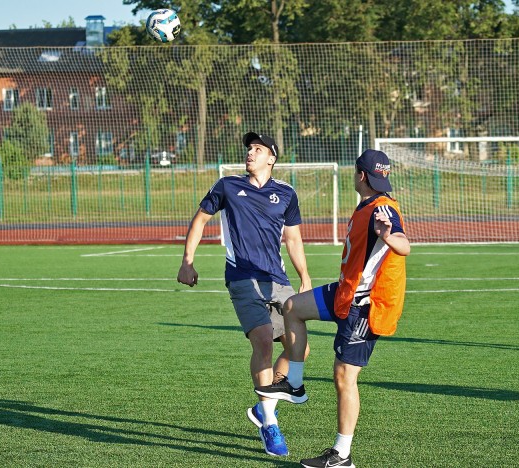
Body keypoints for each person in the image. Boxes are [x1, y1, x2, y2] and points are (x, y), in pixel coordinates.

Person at [255, 149, 410, 468]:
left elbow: (404, 245)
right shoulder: (368, 204)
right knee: (292, 307)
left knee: (344, 377)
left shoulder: (382, 208)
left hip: (366, 306)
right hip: (346, 292)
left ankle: (341, 455)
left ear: (360, 175)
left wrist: (388, 236)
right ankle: (294, 384)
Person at [176, 131, 311, 457]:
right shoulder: (227, 186)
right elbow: (200, 220)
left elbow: (292, 240)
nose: (250, 153)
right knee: (264, 339)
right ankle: (269, 423)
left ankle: (265, 405)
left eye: (258, 149)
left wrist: (305, 277)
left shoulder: (286, 193)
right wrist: (187, 262)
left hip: (277, 280)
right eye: (249, 148)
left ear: (271, 158)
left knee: (300, 353)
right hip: (241, 279)